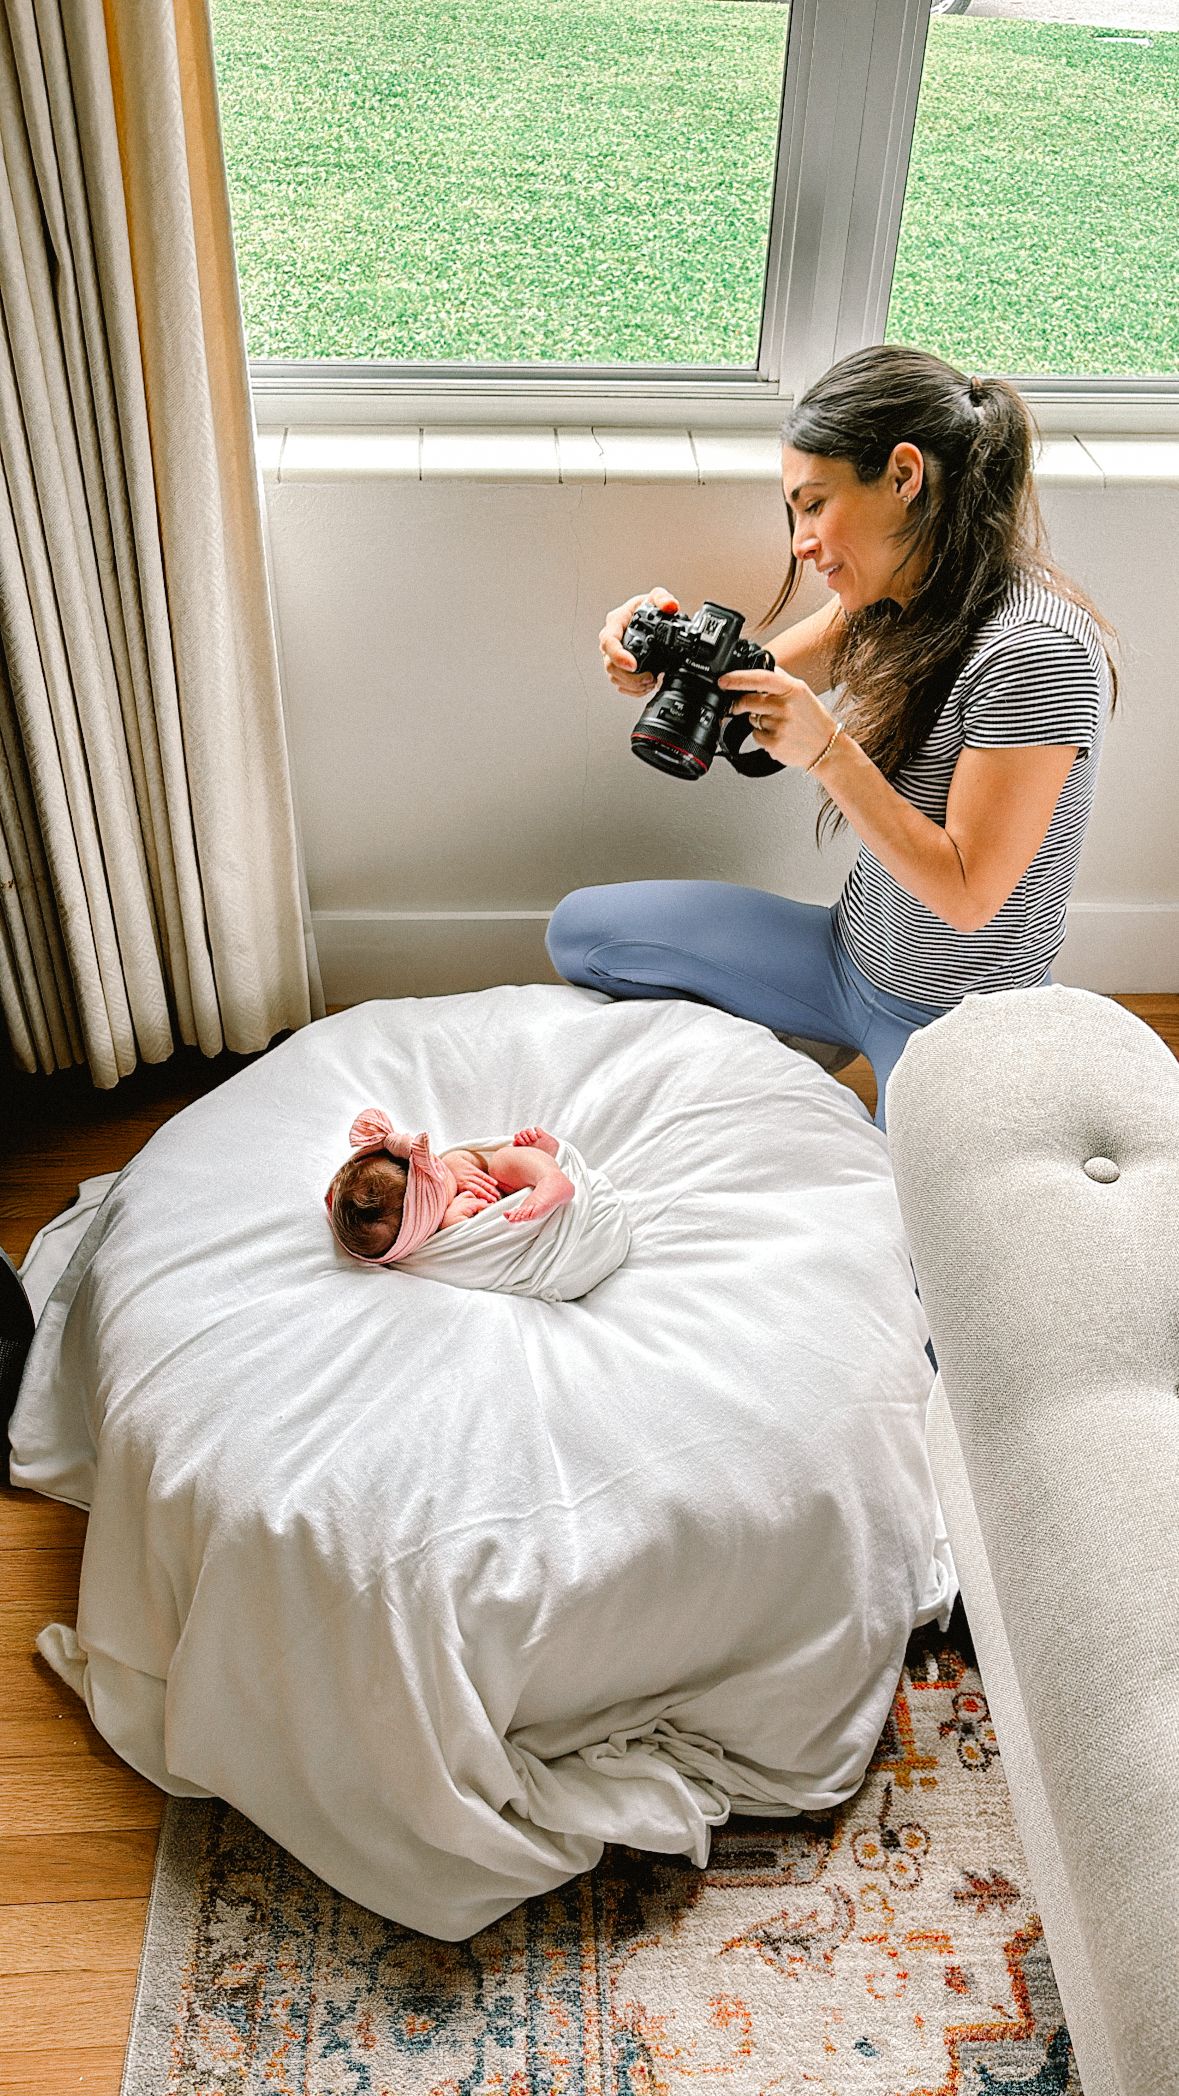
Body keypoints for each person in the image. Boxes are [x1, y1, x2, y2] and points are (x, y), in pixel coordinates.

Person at [545, 344, 1117, 1134]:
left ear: (903, 476)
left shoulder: (1033, 651)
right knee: (582, 933)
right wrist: (660, 658)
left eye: (814, 505)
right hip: (844, 957)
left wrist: (826, 753)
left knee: (912, 1245)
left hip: (952, 1023)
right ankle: (798, 1045)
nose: (800, 542)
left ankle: (815, 1061)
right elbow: (755, 676)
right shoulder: (895, 591)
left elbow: (968, 897)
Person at [326, 1110, 575, 1265]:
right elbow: (486, 1241)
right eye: (437, 1171)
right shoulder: (441, 1240)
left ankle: (547, 1165)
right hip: (541, 1234)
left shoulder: (447, 1173)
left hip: (534, 1201)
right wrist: (454, 1221)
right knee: (503, 1162)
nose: (439, 1162)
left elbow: (480, 1162)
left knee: (497, 1162)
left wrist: (458, 1162)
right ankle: (549, 1174)